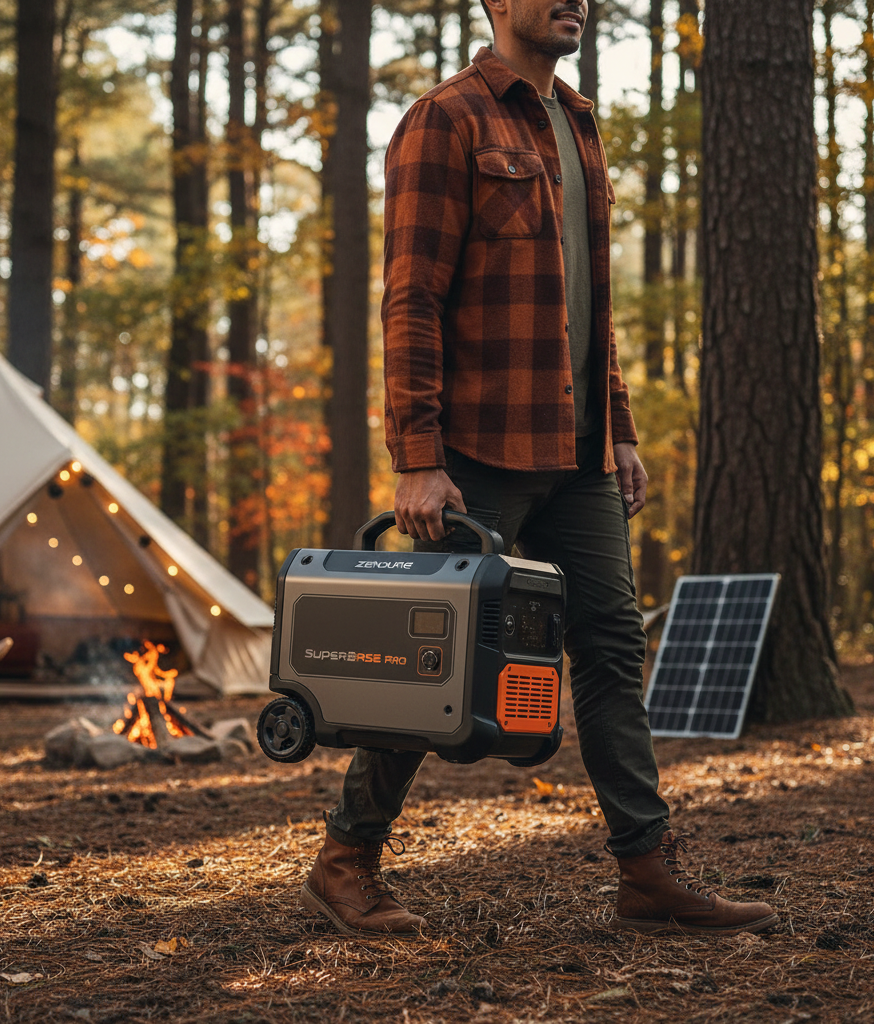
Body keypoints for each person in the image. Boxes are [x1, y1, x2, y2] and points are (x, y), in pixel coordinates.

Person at [300, 0, 778, 939]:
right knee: (428, 662)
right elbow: (411, 299)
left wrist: (622, 430)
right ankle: (345, 859)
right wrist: (418, 457)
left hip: (580, 451)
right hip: (478, 449)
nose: (578, 0)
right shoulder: (446, 119)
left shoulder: (578, 121)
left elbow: (587, 306)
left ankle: (646, 871)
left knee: (611, 651)